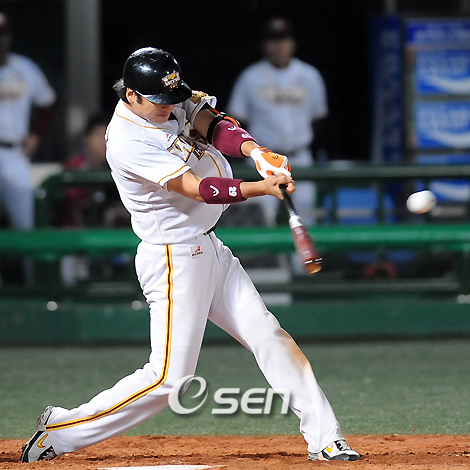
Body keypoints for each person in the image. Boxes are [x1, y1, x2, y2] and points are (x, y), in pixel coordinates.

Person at [20, 47, 360, 463]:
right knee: (168, 380)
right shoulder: (128, 139)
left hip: (209, 247)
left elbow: (212, 124)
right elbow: (196, 189)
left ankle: (326, 438)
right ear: (131, 95)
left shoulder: (167, 98)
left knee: (268, 335)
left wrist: (256, 152)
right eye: (158, 101)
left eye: (171, 97)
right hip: (173, 257)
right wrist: (260, 188)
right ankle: (60, 432)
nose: (169, 106)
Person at [227, 16, 328, 227]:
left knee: (306, 220)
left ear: (292, 43)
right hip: (262, 159)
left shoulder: (310, 75)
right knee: (262, 222)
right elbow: (237, 120)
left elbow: (318, 119)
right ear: (264, 45)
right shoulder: (250, 77)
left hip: (300, 158)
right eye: (273, 40)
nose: (279, 46)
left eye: (283, 39)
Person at [0, 11, 56, 231]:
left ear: (9, 37)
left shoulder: (24, 68)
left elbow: (47, 102)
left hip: (15, 153)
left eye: (3, 34)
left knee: (26, 225)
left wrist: (36, 135)